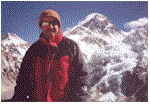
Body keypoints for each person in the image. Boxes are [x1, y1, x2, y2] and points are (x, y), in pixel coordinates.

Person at [11, 9, 89, 102]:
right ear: (41, 27)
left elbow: (82, 78)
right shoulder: (33, 50)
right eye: (45, 23)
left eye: (54, 23)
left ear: (59, 26)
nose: (50, 26)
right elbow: (23, 81)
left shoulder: (71, 47)